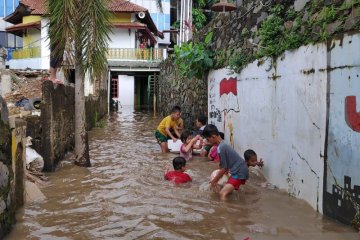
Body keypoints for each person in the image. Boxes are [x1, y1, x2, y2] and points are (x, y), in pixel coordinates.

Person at [203, 124, 264, 200]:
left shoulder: (221, 148)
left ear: (213, 137)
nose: (208, 141)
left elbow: (224, 168)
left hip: (239, 172)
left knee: (222, 194)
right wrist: (257, 163)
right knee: (230, 192)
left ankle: (226, 211)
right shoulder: (224, 144)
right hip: (240, 170)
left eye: (208, 139)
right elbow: (230, 162)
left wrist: (214, 181)